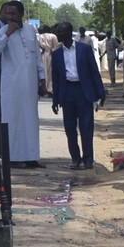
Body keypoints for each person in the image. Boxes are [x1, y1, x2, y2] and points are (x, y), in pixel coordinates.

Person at [0, 0, 47, 168]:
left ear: (21, 14)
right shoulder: (2, 32)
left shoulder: (30, 30)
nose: (9, 17)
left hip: (29, 85)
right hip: (11, 86)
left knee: (30, 120)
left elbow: (36, 57)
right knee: (13, 120)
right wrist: (7, 34)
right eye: (7, 13)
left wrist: (42, 79)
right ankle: (13, 158)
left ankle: (31, 157)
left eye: (13, 14)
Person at [48, 21, 104, 170]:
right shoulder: (57, 53)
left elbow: (94, 71)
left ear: (67, 32)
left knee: (86, 127)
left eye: (60, 32)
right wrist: (55, 99)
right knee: (69, 128)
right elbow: (56, 78)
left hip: (83, 92)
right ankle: (75, 159)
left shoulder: (84, 49)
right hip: (67, 93)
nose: (57, 34)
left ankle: (88, 160)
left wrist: (100, 92)